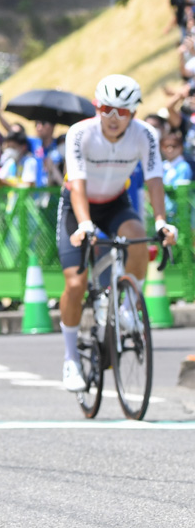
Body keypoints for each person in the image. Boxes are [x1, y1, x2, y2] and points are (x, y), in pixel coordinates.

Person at [57, 74, 176, 392]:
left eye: (122, 111)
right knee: (75, 282)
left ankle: (125, 310)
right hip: (77, 206)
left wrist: (162, 221)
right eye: (107, 108)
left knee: (138, 238)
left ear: (133, 114)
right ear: (96, 107)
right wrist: (84, 224)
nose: (113, 117)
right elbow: (77, 183)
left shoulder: (145, 135)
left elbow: (154, 180)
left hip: (114, 202)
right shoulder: (80, 133)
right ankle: (70, 358)